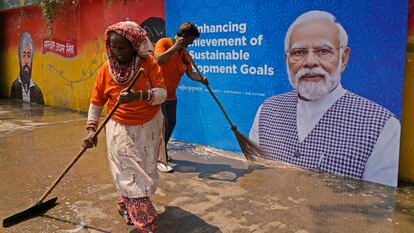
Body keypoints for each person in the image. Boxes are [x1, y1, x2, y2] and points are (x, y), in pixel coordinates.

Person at [249, 10, 401, 187]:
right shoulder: (267, 110)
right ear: (287, 60)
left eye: (323, 51)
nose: (310, 62)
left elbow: (378, 208)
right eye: (299, 52)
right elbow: (256, 180)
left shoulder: (381, 126)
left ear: (343, 59)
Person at [83, 21, 166, 232]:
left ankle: (125, 204)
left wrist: (139, 96)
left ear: (135, 46)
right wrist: (91, 130)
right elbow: (96, 101)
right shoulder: (105, 70)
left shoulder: (148, 64)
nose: (116, 52)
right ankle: (145, 221)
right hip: (119, 129)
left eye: (122, 47)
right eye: (113, 47)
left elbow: (162, 94)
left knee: (144, 171)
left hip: (149, 127)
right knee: (128, 172)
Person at [154, 22, 207, 172]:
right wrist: (175, 47)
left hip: (171, 95)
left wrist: (201, 79)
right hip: (158, 94)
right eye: (190, 40)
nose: (191, 43)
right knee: (162, 125)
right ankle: (159, 158)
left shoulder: (185, 54)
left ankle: (161, 151)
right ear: (182, 37)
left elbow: (191, 74)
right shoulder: (164, 43)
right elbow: (158, 60)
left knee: (171, 123)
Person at [10, 32, 44, 105]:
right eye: (23, 55)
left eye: (29, 56)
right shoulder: (14, 87)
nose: (26, 61)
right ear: (19, 58)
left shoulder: (38, 92)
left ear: (32, 60)